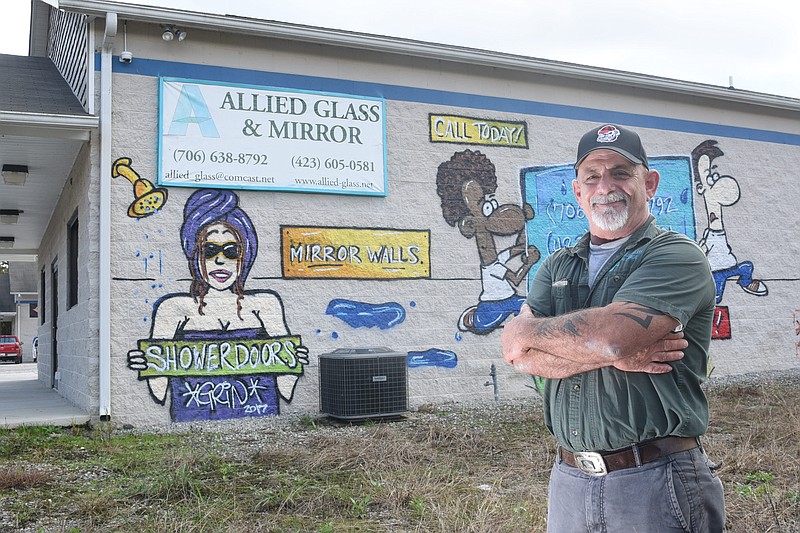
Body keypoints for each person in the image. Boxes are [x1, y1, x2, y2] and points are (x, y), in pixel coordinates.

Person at [501, 124, 725, 532]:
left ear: (650, 183)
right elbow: (518, 353)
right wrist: (612, 353)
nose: (606, 186)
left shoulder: (676, 254)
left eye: (622, 173)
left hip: (655, 480)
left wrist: (548, 337)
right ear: (578, 191)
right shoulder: (556, 266)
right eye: (593, 176)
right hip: (568, 479)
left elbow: (610, 339)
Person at [128, 189, 307, 421]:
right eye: (210, 250)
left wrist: (294, 363)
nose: (220, 260)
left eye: (231, 251)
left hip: (259, 414)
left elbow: (286, 388)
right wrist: (149, 364)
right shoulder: (174, 309)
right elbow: (159, 391)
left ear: (245, 255)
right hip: (191, 420)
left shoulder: (265, 305)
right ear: (194, 254)